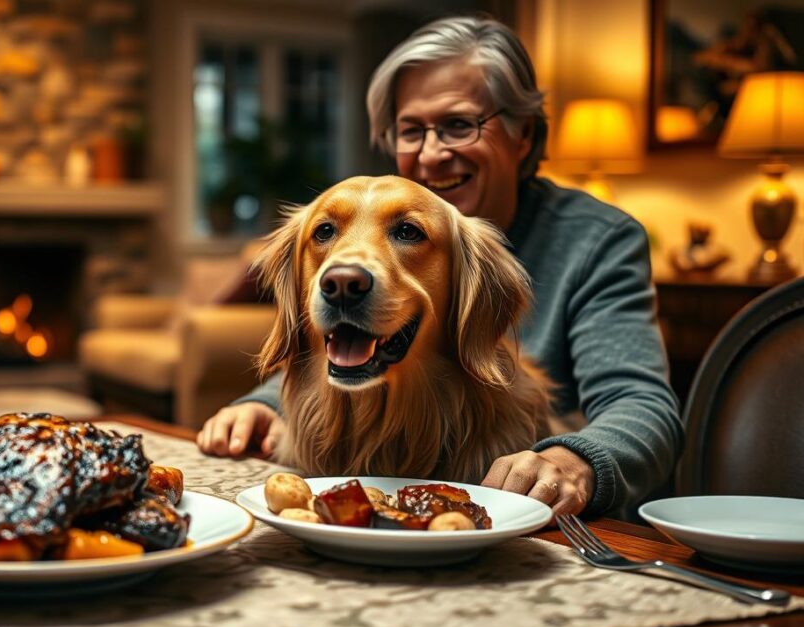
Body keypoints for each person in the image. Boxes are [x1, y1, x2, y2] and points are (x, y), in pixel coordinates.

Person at [196, 16, 682, 518]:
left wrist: (572, 460)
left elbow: (641, 405)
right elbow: (343, 347)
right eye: (411, 130)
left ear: (523, 135)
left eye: (458, 124)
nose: (431, 154)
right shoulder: (364, 234)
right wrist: (265, 403)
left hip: (517, 500)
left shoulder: (599, 239)